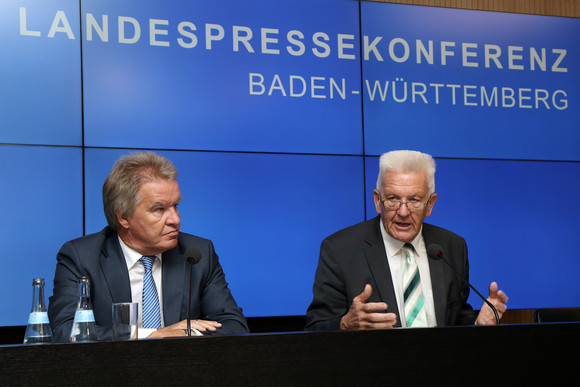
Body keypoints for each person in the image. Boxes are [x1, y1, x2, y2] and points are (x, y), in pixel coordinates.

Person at [48, 152, 248, 342]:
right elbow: (65, 332)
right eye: (159, 209)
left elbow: (235, 327)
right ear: (123, 216)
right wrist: (154, 335)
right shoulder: (81, 257)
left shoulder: (198, 253)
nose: (175, 220)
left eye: (176, 206)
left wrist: (187, 334)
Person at [305, 150, 508, 330]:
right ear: (378, 201)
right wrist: (345, 324)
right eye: (393, 198)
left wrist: (477, 326)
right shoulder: (340, 250)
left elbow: (455, 320)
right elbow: (316, 327)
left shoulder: (451, 247)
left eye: (414, 200)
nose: (403, 212)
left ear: (430, 204)